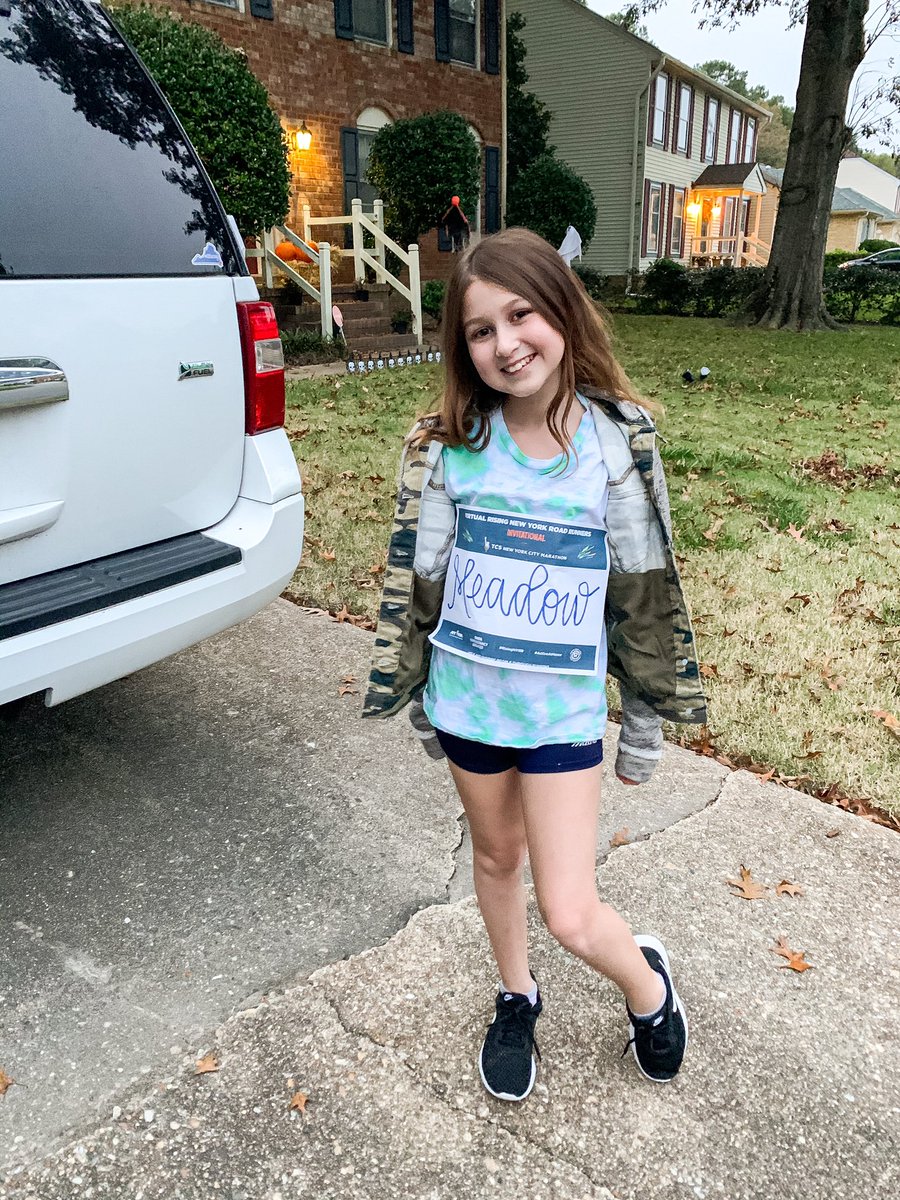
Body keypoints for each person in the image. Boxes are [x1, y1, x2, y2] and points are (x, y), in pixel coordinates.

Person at [363, 227, 706, 1103]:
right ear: (462, 348)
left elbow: (643, 590)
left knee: (571, 909)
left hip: (560, 717)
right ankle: (518, 995)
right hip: (469, 706)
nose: (506, 343)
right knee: (495, 856)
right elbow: (425, 582)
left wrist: (642, 721)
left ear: (561, 311)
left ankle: (649, 988)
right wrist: (416, 700)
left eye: (521, 315)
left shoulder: (613, 448)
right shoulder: (447, 448)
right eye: (480, 330)